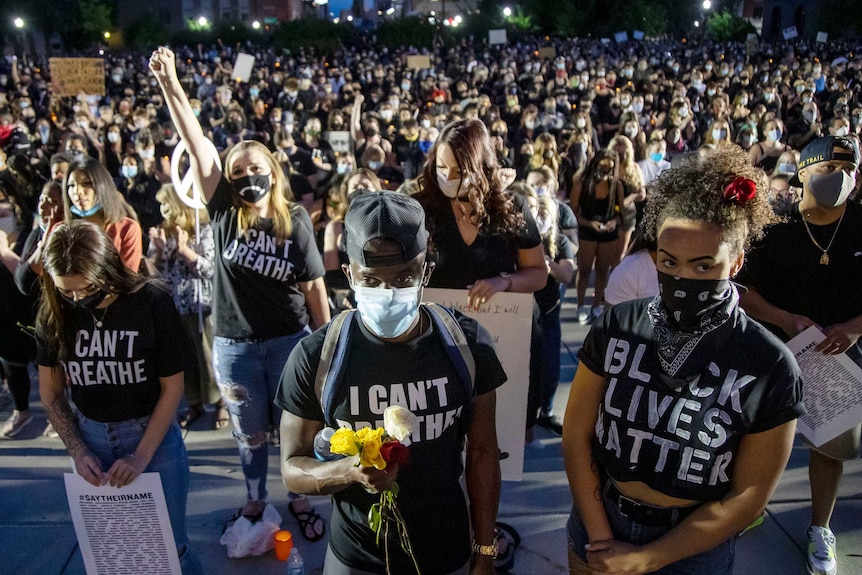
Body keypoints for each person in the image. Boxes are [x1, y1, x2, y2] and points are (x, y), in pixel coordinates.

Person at [562, 145, 804, 575]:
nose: (684, 278)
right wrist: (600, 536)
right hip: (600, 518)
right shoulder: (619, 324)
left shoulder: (770, 364)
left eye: (704, 266)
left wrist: (649, 559)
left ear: (736, 263)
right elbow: (577, 433)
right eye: (669, 262)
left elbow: (748, 495)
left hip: (693, 547)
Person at [150, 46, 330, 536]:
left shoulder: (293, 219)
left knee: (296, 429)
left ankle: (297, 497)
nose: (249, 179)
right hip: (235, 347)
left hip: (291, 342)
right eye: (238, 174)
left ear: (272, 169)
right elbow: (195, 137)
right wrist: (170, 83)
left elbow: (314, 287)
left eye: (256, 170)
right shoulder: (224, 210)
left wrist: (327, 344)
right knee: (250, 436)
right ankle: (254, 500)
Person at [277, 190, 505, 575]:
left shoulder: (467, 345)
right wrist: (348, 471)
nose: (387, 294)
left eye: (403, 277)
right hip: (356, 557)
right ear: (349, 276)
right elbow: (291, 468)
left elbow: (483, 452)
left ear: (425, 273)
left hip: (445, 552)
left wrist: (484, 550)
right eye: (371, 279)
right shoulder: (317, 356)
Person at [36, 220, 203, 574]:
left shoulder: (151, 301)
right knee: (116, 552)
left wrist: (141, 456)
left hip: (150, 437)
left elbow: (173, 388)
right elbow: (50, 394)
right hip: (90, 437)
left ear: (106, 267)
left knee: (171, 549)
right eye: (68, 291)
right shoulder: (55, 310)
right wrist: (77, 450)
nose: (77, 299)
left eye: (86, 289)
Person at [736, 135, 862, 575]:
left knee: (829, 448)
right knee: (762, 439)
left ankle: (819, 527)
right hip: (778, 353)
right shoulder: (776, 228)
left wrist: (854, 327)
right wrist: (785, 319)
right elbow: (744, 290)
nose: (842, 178)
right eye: (831, 168)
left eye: (850, 169)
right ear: (804, 172)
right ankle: (746, 508)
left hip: (841, 360)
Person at [413, 119, 547, 440]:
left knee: (500, 442)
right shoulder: (422, 209)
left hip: (504, 340)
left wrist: (505, 282)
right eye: (441, 167)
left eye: (458, 170)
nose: (447, 176)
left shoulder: (511, 208)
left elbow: (538, 273)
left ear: (481, 166)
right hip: (439, 342)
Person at [147, 184, 226, 430]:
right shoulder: (164, 233)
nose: (163, 209)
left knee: (208, 355)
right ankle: (194, 402)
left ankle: (221, 401)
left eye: (167, 203)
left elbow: (212, 269)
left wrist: (184, 251)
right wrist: (159, 253)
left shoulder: (204, 230)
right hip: (176, 306)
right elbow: (154, 277)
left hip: (202, 305)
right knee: (185, 357)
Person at [570, 150, 626, 324]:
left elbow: (620, 213)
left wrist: (613, 223)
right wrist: (588, 224)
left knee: (603, 270)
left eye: (609, 169)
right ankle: (580, 306)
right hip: (587, 230)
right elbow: (573, 211)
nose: (604, 171)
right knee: (585, 269)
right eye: (602, 166)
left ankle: (596, 306)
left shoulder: (616, 185)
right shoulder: (582, 183)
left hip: (608, 232)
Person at [63, 157, 143, 272]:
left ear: (102, 186)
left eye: (86, 183)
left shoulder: (127, 229)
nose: (77, 191)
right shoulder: (62, 230)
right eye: (71, 185)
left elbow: (128, 280)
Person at [0, 187, 36, 437]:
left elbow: (28, 276)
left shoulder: (29, 238)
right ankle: (21, 411)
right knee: (13, 365)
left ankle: (63, 416)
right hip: (5, 317)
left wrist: (3, 250)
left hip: (32, 313)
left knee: (48, 366)